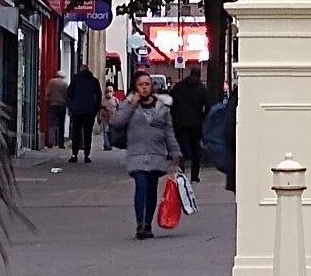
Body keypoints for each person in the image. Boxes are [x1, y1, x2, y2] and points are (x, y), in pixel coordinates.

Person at [111, 71, 182, 239]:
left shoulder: (162, 108)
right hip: (136, 154)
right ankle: (139, 224)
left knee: (151, 190)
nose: (144, 88)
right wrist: (131, 106)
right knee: (141, 185)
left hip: (156, 154)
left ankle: (148, 224)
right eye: (140, 85)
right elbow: (117, 122)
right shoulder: (128, 104)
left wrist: (175, 153)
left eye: (147, 84)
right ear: (135, 87)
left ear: (152, 86)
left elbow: (169, 133)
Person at [170, 65, 211, 182]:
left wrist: (175, 116)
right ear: (199, 75)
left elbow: (171, 102)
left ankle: (181, 173)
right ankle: (194, 176)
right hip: (195, 123)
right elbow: (208, 106)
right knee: (196, 150)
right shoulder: (203, 89)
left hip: (180, 123)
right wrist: (202, 117)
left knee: (181, 148)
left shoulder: (179, 87)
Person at [65, 62, 103, 163]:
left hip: (77, 111)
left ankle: (74, 154)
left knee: (75, 133)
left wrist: (71, 107)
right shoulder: (94, 81)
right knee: (87, 134)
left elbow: (69, 94)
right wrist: (96, 109)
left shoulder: (75, 80)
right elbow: (99, 96)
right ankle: (87, 155)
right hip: (89, 111)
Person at [44, 69, 69, 149]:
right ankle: (61, 143)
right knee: (61, 125)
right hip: (62, 106)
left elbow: (47, 93)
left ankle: (51, 142)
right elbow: (67, 95)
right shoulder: (65, 84)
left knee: (52, 124)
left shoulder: (51, 82)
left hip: (53, 105)